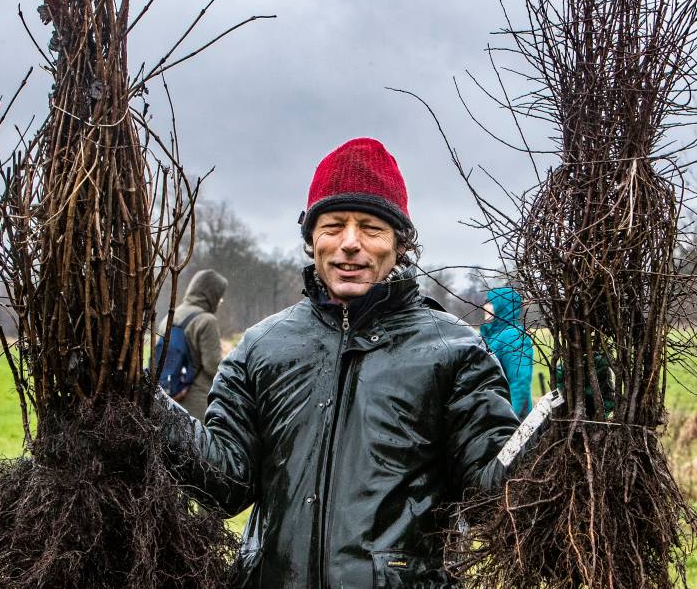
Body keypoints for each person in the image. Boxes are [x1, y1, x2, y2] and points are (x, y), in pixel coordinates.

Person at [163, 137, 521, 587]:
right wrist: (141, 404)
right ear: (311, 238)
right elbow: (225, 484)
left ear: (400, 243)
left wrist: (557, 438)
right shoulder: (261, 347)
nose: (350, 243)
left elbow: (491, 494)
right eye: (333, 225)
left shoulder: (455, 350)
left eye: (371, 228)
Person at [153, 268, 227, 418]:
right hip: (197, 402)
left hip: (169, 396)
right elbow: (213, 365)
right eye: (219, 297)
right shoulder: (207, 320)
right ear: (211, 294)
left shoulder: (169, 316)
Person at [480, 287, 534, 419]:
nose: (485, 307)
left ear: (504, 307)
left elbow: (520, 382)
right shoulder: (490, 336)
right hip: (492, 415)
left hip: (508, 419)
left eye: (491, 302)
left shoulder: (513, 336)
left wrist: (511, 420)